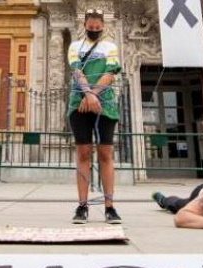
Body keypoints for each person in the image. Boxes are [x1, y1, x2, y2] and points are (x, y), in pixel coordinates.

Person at [67, 8, 123, 224]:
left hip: (104, 104)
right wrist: (88, 94)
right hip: (79, 103)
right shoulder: (75, 46)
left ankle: (110, 206)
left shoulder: (110, 47)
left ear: (103, 27)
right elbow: (77, 71)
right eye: (91, 27)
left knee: (106, 153)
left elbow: (110, 73)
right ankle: (82, 206)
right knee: (83, 152)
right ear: (85, 26)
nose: (94, 30)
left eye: (97, 28)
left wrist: (93, 95)